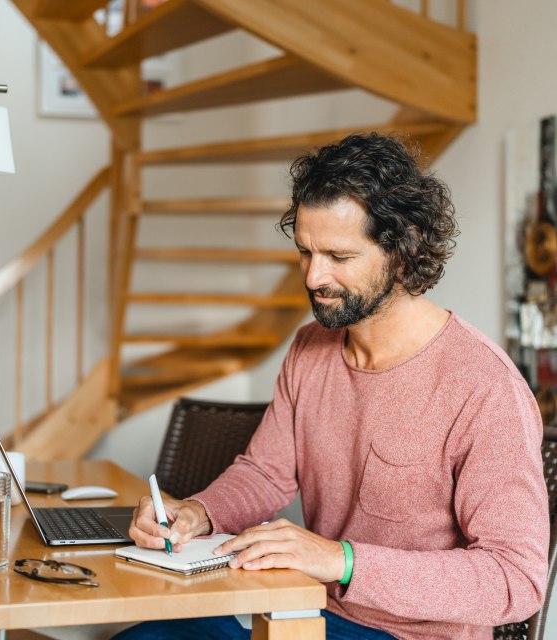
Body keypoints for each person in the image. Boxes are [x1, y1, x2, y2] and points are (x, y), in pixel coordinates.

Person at [115, 133, 550, 640]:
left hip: (409, 635)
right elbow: (266, 473)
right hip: (301, 611)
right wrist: (198, 513)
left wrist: (341, 561)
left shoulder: (484, 387)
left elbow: (515, 578)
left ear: (403, 250)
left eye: (339, 257)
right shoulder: (309, 348)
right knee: (143, 637)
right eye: (305, 252)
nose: (314, 277)